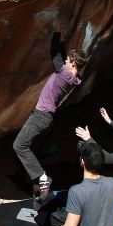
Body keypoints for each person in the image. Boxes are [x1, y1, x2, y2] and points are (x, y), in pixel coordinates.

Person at [13, 32, 86, 199]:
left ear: (73, 63)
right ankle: (36, 188)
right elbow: (60, 57)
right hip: (46, 118)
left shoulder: (66, 74)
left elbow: (55, 56)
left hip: (41, 116)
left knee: (19, 146)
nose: (66, 61)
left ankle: (41, 178)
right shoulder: (75, 78)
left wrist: (55, 35)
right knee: (29, 148)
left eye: (68, 60)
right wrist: (61, 41)